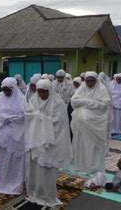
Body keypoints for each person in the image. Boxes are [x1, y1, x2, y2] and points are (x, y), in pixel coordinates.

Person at [24, 79, 72, 207]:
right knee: (35, 169)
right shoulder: (33, 100)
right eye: (39, 92)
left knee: (47, 169)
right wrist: (39, 117)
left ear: (50, 91)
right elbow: (28, 115)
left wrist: (41, 118)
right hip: (35, 142)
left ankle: (47, 195)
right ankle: (34, 192)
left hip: (50, 143)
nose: (42, 95)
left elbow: (59, 123)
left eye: (45, 92)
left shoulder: (58, 103)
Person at [0, 77, 26, 195]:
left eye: (8, 90)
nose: (6, 92)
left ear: (14, 88)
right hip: (2, 134)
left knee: (13, 159)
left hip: (15, 135)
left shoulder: (20, 99)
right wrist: (4, 118)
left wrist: (10, 118)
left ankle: (13, 182)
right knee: (2, 159)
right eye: (4, 90)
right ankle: (1, 181)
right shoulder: (0, 97)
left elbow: (23, 116)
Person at [71, 71, 111, 174]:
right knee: (81, 145)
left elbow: (105, 105)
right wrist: (90, 103)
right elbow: (74, 102)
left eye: (92, 81)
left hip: (96, 125)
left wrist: (85, 103)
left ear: (95, 81)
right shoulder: (81, 88)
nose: (89, 83)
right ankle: (82, 166)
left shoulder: (102, 90)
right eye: (88, 81)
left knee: (92, 147)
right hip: (81, 126)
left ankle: (93, 167)